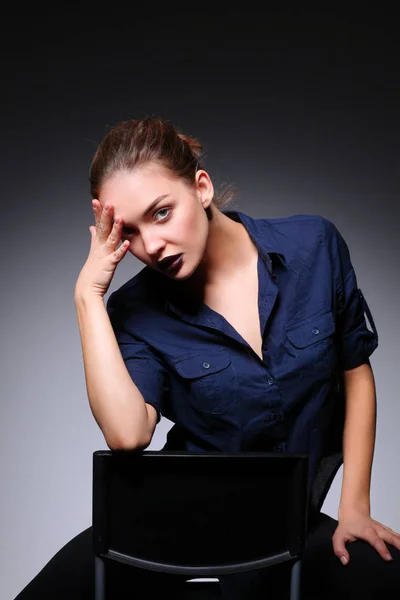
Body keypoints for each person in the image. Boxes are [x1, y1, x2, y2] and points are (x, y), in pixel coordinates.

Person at [15, 117, 400, 599]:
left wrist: (355, 508)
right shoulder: (134, 311)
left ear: (201, 187)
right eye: (129, 233)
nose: (151, 246)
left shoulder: (314, 246)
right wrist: (88, 296)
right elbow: (128, 433)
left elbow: (355, 373)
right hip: (173, 523)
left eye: (160, 213)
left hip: (287, 527)